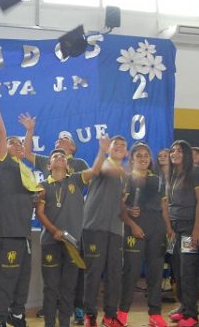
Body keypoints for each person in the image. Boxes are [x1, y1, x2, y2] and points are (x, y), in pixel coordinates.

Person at [20, 118, 89, 325]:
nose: (59, 141)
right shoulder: (47, 164)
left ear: (73, 148)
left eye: (65, 139)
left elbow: (94, 176)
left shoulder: (79, 166)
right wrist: (30, 131)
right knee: (52, 285)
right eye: (58, 140)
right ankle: (51, 319)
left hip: (73, 233)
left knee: (71, 283)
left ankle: (75, 311)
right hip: (51, 235)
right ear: (49, 165)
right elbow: (26, 153)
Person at [36, 142, 107, 327]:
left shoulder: (76, 179)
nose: (59, 158)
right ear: (49, 166)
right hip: (50, 242)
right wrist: (54, 231)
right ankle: (50, 324)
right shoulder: (42, 186)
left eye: (63, 157)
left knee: (68, 289)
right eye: (55, 157)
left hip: (73, 244)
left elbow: (95, 170)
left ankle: (65, 324)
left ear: (68, 165)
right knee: (51, 288)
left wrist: (102, 150)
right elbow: (40, 213)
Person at [0, 84, 36, 327]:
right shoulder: (3, 163)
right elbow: (0, 130)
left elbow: (28, 151)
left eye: (20, 144)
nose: (17, 146)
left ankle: (16, 313)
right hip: (7, 231)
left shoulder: (26, 171)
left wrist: (30, 131)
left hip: (24, 233)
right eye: (12, 143)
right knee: (6, 277)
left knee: (22, 279)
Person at [117, 142, 173, 327]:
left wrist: (169, 229)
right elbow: (119, 207)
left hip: (156, 229)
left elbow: (164, 208)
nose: (143, 158)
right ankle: (122, 313)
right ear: (132, 158)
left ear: (150, 159)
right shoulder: (126, 178)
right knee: (130, 273)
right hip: (135, 229)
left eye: (146, 156)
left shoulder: (158, 179)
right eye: (139, 155)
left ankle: (155, 314)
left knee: (156, 274)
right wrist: (132, 223)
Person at [81, 135, 127, 327]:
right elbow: (100, 170)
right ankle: (89, 315)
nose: (120, 147)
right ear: (109, 149)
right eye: (116, 144)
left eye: (123, 146)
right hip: (95, 227)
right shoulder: (104, 164)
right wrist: (102, 150)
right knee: (94, 272)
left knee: (114, 274)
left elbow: (122, 202)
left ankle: (110, 315)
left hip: (116, 230)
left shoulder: (124, 174)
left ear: (126, 152)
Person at [166, 140, 199, 327]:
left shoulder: (195, 172)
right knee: (179, 271)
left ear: (187, 154)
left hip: (190, 227)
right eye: (172, 150)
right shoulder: (173, 174)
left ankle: (192, 314)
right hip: (175, 229)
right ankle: (183, 307)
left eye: (180, 151)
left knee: (189, 270)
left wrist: (197, 229)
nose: (175, 153)